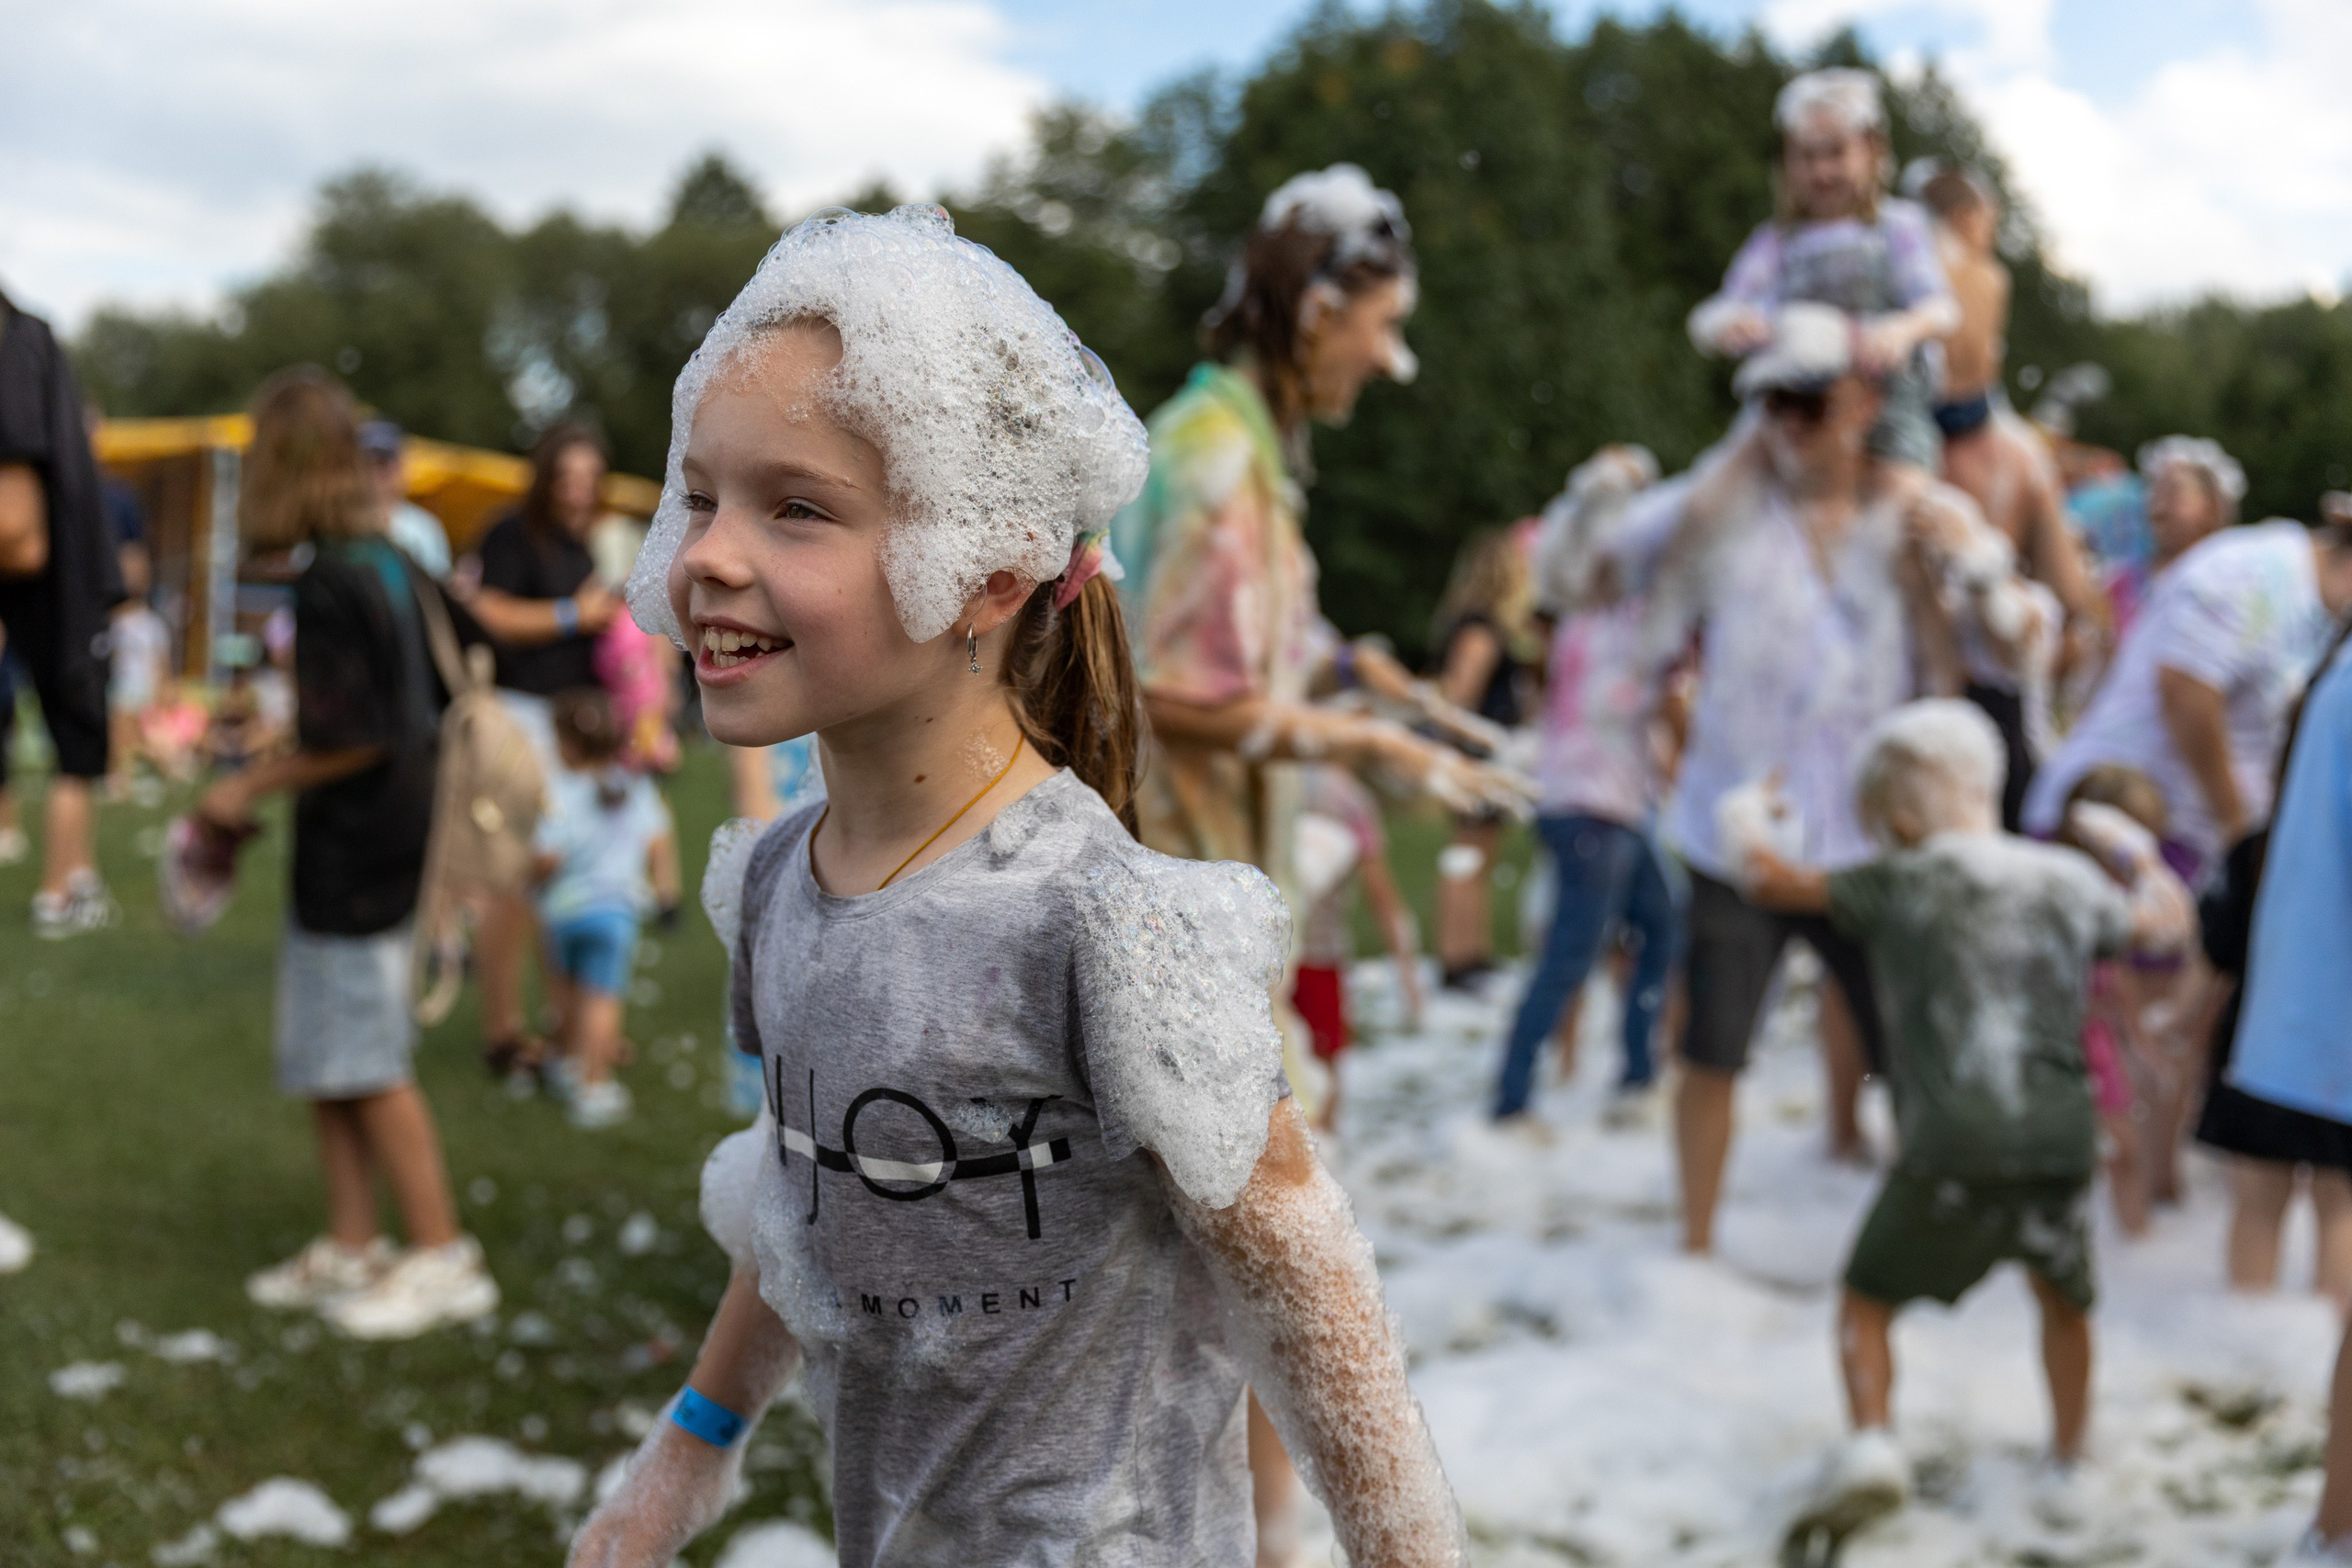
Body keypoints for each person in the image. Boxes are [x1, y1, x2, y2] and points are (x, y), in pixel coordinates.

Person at [566, 202, 1462, 1568]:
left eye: (797, 507)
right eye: (700, 494)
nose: (705, 556)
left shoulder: (1106, 919)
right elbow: (801, 1196)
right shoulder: (768, 888)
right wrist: (683, 1454)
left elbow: (1313, 1285)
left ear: (984, 573)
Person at [1109, 164, 1521, 1561]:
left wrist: (1376, 674)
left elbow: (1263, 632)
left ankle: (1261, 1532)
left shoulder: (1245, 446)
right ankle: (1262, 1541)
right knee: (1261, 1271)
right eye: (1376, 328)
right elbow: (1169, 683)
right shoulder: (1220, 453)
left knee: (1254, 1268)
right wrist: (1366, 740)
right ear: (1315, 306)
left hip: (1214, 912)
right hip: (1179, 913)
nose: (1385, 362)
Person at [1629, 301, 2036, 1252]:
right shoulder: (1726, 520)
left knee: (1904, 1051)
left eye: (1804, 402)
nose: (1782, 425)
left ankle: (1921, 1233)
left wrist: (1964, 572)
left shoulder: (1906, 518)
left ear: (1860, 402)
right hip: (1745, 831)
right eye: (1767, 404)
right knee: (1712, 1050)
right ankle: (1694, 1246)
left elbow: (1977, 663)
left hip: (1870, 838)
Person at [1742, 701, 2170, 1537]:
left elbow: (1764, 878)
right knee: (2064, 1300)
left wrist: (1752, 813)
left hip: (1948, 1139)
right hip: (2057, 1135)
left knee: (1866, 1301)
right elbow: (2159, 924)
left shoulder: (1905, 877)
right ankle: (2068, 1458)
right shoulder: (2064, 878)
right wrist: (2135, 853)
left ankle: (1872, 1444)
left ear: (1901, 821)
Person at [198, 367, 496, 1341]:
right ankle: (354, 1240)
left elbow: (356, 733)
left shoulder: (329, 578)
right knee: (331, 1052)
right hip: (399, 838)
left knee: (368, 1059)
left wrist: (244, 785)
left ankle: (443, 1254)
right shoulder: (393, 558)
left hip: (360, 848)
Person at [2022, 474, 2348, 884]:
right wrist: (2240, 833)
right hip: (2116, 822)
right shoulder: (2254, 571)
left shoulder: (2320, 608)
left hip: (2182, 839)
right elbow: (2186, 689)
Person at [1493, 446, 1680, 1132]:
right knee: (1571, 955)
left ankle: (1635, 1076)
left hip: (1608, 801)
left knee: (1660, 927)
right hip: (1590, 805)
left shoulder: (1596, 613)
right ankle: (1510, 1103)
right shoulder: (1598, 612)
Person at [1909, 162, 2099, 823]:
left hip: (1947, 709)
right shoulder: (1954, 266)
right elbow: (2074, 603)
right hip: (1963, 715)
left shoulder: (2010, 456)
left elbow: (2071, 605)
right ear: (1967, 218)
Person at [1688, 69, 1960, 478]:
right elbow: (1722, 308)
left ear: (1871, 150)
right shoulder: (1777, 241)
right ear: (1786, 161)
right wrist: (1730, 322)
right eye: (1806, 156)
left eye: (1835, 153)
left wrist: (1902, 329)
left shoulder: (1896, 226)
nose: (1821, 172)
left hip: (1883, 421)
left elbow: (1939, 308)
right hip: (1785, 419)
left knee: (1906, 503)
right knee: (1707, 502)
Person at [454, 422, 618, 1074]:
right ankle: (503, 1031)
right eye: (568, 477)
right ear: (546, 476)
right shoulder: (510, 533)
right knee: (516, 882)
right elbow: (485, 610)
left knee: (565, 879)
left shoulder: (583, 547)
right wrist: (573, 616)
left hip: (574, 731)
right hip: (521, 722)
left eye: (590, 479)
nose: (579, 491)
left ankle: (570, 1029)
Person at [0, 290, 126, 937]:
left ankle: (72, 882)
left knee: (80, 748)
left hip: (61, 597)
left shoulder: (17, 342)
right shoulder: (25, 339)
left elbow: (18, 533)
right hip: (58, 599)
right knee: (77, 751)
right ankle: (61, 893)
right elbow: (19, 535)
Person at [533, 686, 679, 1129]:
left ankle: (566, 1064)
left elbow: (548, 857)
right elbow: (658, 838)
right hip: (615, 914)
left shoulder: (558, 793)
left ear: (566, 746)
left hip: (562, 913)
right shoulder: (634, 786)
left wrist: (528, 878)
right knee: (602, 998)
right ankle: (594, 1089)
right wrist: (667, 892)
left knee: (565, 991)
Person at [1429, 526, 1539, 990]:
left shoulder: (1473, 624)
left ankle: (1471, 952)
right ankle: (1458, 959)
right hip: (1478, 759)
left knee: (1477, 857)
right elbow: (1460, 696)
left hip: (1482, 759)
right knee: (1466, 858)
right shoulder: (1482, 631)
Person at [1292, 763, 1422, 1132]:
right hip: (1319, 954)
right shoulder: (1350, 799)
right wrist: (1408, 972)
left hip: (1267, 950)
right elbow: (1381, 894)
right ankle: (1321, 1158)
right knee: (1324, 1070)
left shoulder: (1276, 776)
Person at [102, 539, 171, 800]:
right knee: (119, 733)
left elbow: (160, 660)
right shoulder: (110, 620)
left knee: (132, 735)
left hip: (140, 684)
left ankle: (127, 776)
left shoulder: (151, 622)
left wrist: (163, 685)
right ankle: (121, 776)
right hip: (118, 683)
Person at [359, 419, 453, 578]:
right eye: (367, 462)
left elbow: (437, 586)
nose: (375, 472)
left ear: (400, 466)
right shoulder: (335, 521)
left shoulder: (424, 528)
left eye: (383, 462)